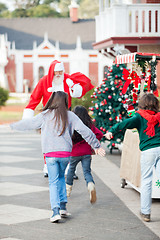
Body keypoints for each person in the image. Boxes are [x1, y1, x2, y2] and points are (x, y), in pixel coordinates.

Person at [11, 91, 105, 223]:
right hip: (65, 155)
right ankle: (62, 207)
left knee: (53, 182)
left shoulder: (45, 115)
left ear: (52, 100)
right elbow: (85, 130)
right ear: (65, 102)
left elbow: (29, 123)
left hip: (50, 154)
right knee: (61, 177)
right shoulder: (70, 115)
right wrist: (96, 145)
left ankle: (55, 212)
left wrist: (13, 126)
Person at [22, 60, 94, 177]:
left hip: (66, 114)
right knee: (48, 141)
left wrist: (74, 87)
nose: (59, 74)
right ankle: (47, 166)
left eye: (61, 71)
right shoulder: (44, 81)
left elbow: (77, 93)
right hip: (49, 115)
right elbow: (34, 98)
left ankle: (69, 168)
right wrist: (27, 117)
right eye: (57, 72)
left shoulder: (67, 79)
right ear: (52, 72)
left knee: (68, 140)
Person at [104, 93, 160, 222]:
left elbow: (125, 123)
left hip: (148, 151)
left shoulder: (139, 117)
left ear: (142, 104)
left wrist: (112, 131)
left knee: (146, 181)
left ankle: (146, 213)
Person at [66, 105, 103, 204]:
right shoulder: (89, 125)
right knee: (87, 172)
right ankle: (90, 184)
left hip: (74, 153)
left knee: (71, 170)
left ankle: (67, 190)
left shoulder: (71, 124)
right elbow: (99, 134)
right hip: (86, 153)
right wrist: (92, 144)